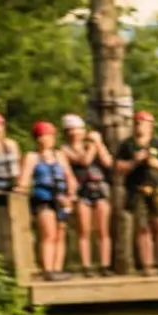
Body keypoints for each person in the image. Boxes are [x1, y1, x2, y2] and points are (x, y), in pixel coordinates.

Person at [115, 110, 158, 275]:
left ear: (151, 125)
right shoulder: (126, 144)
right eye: (137, 122)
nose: (140, 125)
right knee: (143, 228)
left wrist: (154, 162)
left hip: (157, 190)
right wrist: (134, 161)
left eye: (144, 122)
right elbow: (117, 167)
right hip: (136, 190)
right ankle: (147, 266)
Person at [61, 113, 113, 275]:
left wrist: (100, 144)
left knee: (103, 229)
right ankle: (86, 265)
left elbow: (108, 162)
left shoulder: (92, 145)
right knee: (84, 230)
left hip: (99, 189)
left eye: (78, 129)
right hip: (81, 191)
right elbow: (84, 161)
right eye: (72, 130)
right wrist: (93, 146)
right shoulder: (64, 149)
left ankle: (104, 265)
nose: (76, 133)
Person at [24, 121, 75, 280]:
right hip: (44, 198)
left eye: (50, 135)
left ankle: (57, 269)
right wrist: (22, 187)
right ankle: (48, 269)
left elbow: (70, 177)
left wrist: (71, 194)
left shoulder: (59, 155)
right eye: (44, 136)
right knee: (49, 234)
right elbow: (24, 179)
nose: (48, 139)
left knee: (60, 233)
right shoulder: (32, 157)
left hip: (61, 199)